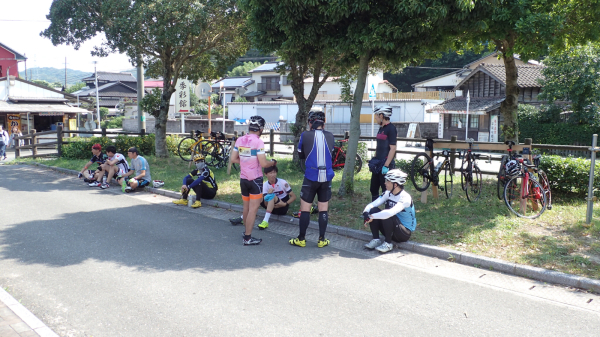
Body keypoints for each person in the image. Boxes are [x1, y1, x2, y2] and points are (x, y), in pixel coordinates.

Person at [290, 107, 335, 248]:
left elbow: (301, 154)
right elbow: (332, 155)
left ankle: (301, 239)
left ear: (310, 122)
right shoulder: (330, 135)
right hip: (326, 176)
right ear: (324, 123)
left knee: (305, 209)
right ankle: (322, 239)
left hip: (311, 175)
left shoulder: (305, 135)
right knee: (323, 209)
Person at [229, 115, 277, 246]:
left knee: (246, 207)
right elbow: (263, 163)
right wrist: (272, 162)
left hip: (243, 179)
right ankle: (248, 238)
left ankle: (246, 232)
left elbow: (233, 159)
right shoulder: (258, 142)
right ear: (260, 129)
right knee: (253, 209)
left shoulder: (240, 140)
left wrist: (244, 162)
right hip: (255, 179)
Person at [362, 169, 417, 253]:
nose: (385, 183)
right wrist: (366, 213)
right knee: (373, 210)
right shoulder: (388, 193)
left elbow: (389, 213)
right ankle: (376, 239)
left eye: (388, 181)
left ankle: (388, 243)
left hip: (403, 233)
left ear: (395, 184)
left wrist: (371, 217)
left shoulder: (405, 197)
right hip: (390, 228)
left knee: (387, 214)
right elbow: (372, 204)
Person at [369, 105, 397, 201]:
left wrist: (386, 165)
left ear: (381, 115)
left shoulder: (391, 129)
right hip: (378, 162)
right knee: (373, 188)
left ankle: (387, 212)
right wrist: (375, 159)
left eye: (376, 115)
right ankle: (374, 211)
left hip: (386, 164)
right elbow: (379, 145)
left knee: (386, 189)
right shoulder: (381, 128)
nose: (375, 118)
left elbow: (392, 148)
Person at [256, 165, 297, 230]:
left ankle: (265, 220)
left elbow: (294, 197)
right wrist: (268, 194)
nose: (273, 175)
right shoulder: (265, 185)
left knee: (271, 196)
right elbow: (266, 204)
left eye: (274, 172)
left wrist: (285, 204)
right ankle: (247, 216)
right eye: (270, 173)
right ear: (266, 174)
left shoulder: (283, 182)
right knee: (260, 197)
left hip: (282, 207)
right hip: (272, 207)